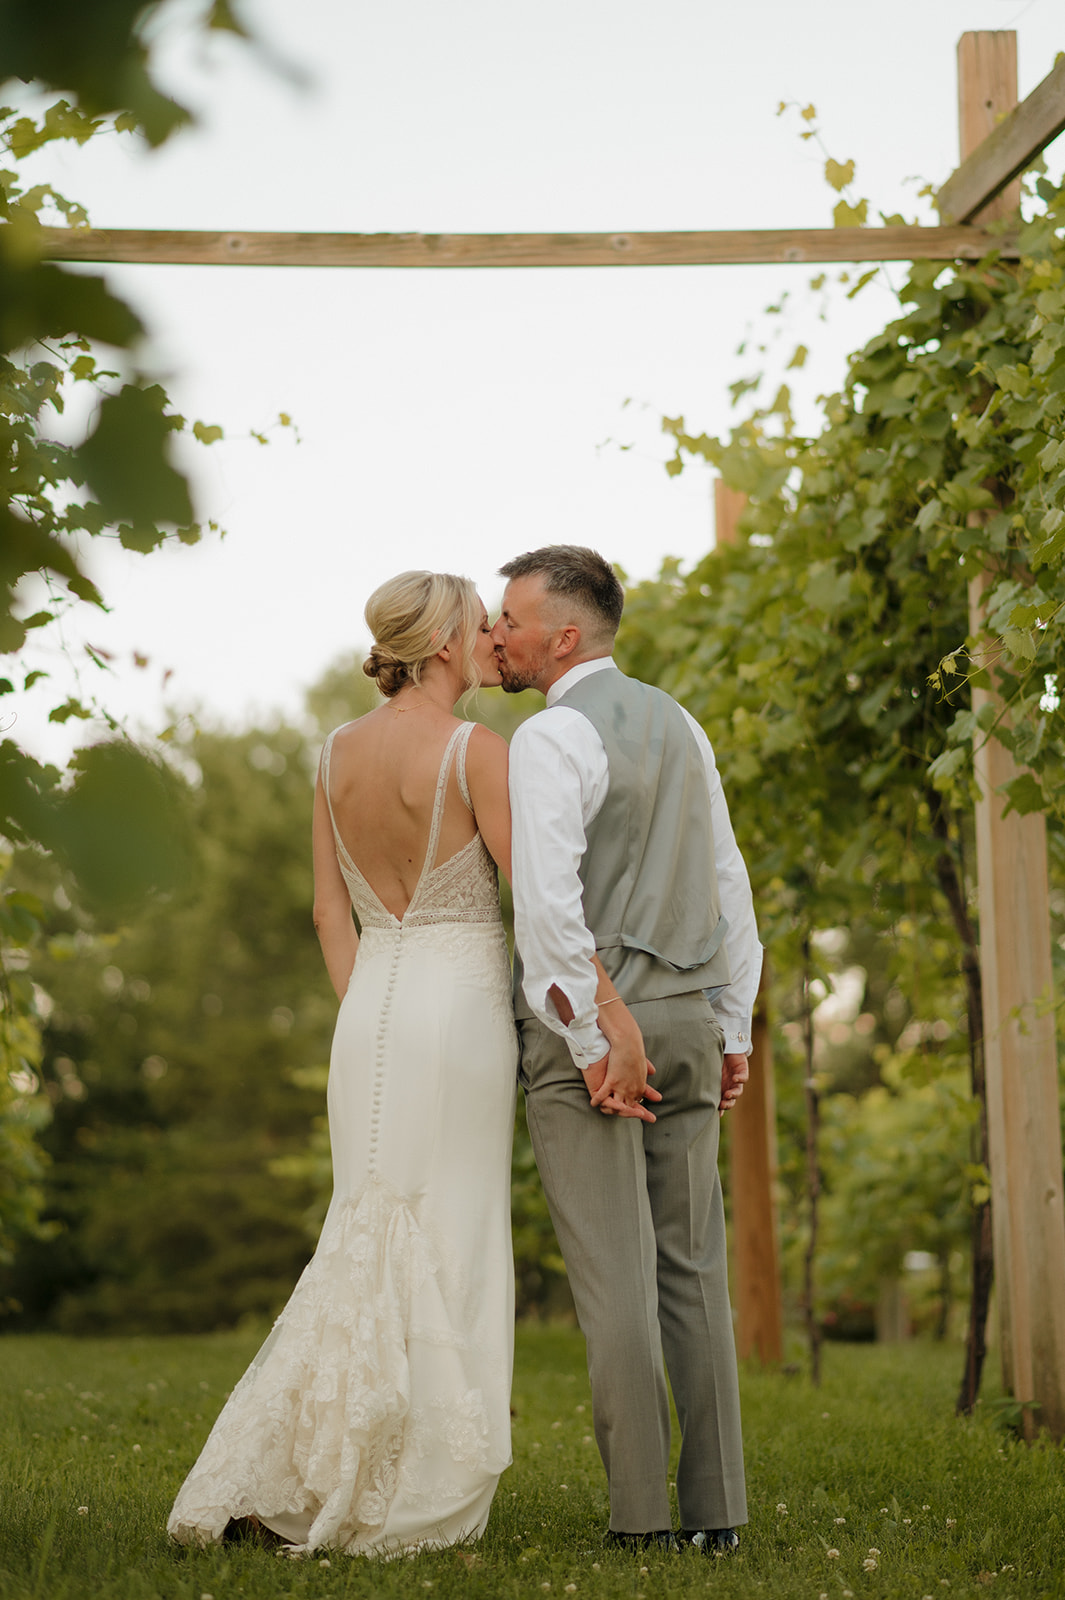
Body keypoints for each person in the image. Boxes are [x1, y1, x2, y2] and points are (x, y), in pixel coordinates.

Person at [168, 571, 518, 1557]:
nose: (492, 634)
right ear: (444, 644)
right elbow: (531, 905)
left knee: (362, 1230)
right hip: (460, 1016)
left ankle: (303, 1464)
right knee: (449, 1231)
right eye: (480, 624)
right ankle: (414, 1479)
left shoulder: (334, 754)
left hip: (367, 1013)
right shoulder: (475, 752)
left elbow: (332, 913)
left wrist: (375, 1010)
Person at [492, 544, 761, 1555]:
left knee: (615, 1274)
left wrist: (588, 1033)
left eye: (511, 618)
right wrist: (730, 1028)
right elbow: (729, 884)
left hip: (602, 1033)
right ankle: (718, 1512)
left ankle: (643, 1517)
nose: (496, 635)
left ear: (562, 635)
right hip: (692, 1014)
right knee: (693, 1267)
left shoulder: (550, 736)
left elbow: (550, 906)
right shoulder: (682, 723)